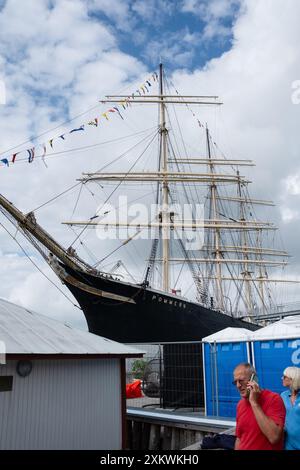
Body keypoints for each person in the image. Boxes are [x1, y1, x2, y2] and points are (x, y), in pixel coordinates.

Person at [233, 362, 286, 450]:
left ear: (254, 380)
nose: (238, 385)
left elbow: (274, 437)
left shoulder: (274, 399)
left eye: (241, 381)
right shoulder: (240, 404)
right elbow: (239, 438)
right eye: (235, 382)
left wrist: (254, 403)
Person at [281, 366, 300, 450]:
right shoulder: (283, 395)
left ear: (293, 379)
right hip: (288, 442)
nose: (282, 378)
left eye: (285, 377)